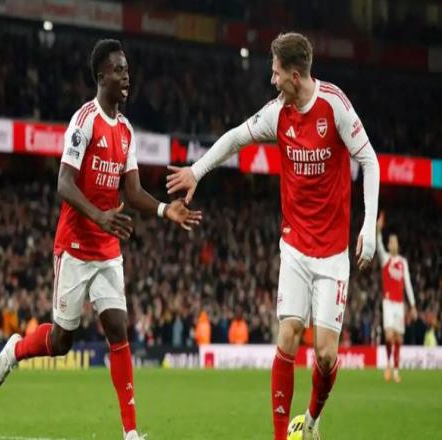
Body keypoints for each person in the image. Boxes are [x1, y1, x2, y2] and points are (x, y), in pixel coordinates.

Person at [166, 32, 380, 440]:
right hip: (295, 246)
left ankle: (311, 421)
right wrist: (197, 170)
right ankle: (280, 437)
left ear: (295, 76)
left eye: (277, 73)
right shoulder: (277, 113)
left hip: (333, 253)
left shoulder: (334, 105)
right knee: (287, 335)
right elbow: (235, 137)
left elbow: (369, 160)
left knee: (326, 354)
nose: (272, 79)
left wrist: (368, 226)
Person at [0, 39, 202, 440]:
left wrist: (163, 210)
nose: (126, 77)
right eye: (119, 70)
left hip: (107, 250)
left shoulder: (126, 130)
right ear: (101, 76)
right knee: (61, 340)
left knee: (118, 329)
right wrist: (101, 215)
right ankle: (16, 349)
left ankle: (131, 432)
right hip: (74, 246)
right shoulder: (84, 120)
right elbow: (63, 183)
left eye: (128, 70)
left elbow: (132, 192)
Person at [376, 211, 417, 383]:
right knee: (388, 336)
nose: (392, 244)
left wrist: (413, 305)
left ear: (398, 245)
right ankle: (388, 364)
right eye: (390, 242)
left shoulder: (403, 262)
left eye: (394, 242)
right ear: (388, 244)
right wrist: (378, 230)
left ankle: (396, 369)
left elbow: (407, 283)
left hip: (400, 304)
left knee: (398, 338)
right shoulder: (385, 259)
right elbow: (378, 244)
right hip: (388, 302)